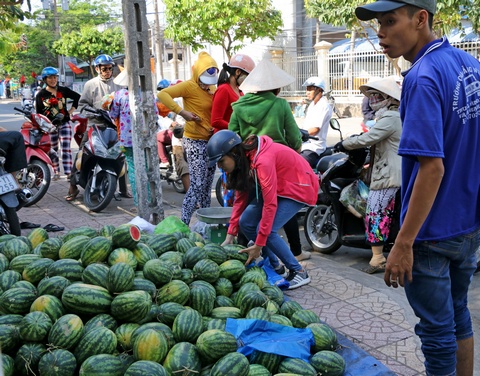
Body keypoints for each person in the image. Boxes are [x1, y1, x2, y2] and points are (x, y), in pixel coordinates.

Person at [355, 0, 480, 375]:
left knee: (437, 333)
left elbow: (431, 169)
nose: (381, 32)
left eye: (390, 21)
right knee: (458, 316)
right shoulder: (470, 66)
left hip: (430, 235)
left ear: (420, 18)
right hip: (467, 226)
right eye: (378, 23)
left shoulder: (422, 76)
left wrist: (403, 242)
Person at [207, 130, 318, 289]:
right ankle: (275, 266)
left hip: (298, 187)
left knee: (267, 230)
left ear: (233, 153)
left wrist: (259, 244)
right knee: (246, 222)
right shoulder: (244, 161)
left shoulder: (262, 161)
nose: (220, 166)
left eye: (221, 161)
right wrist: (230, 235)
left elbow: (270, 204)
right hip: (280, 187)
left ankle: (298, 271)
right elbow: (240, 199)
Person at [229, 58, 310, 262]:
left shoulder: (238, 107)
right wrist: (290, 154)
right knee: (278, 209)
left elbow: (231, 137)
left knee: (248, 211)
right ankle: (295, 254)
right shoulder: (280, 105)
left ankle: (252, 254)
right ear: (275, 88)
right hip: (278, 166)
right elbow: (294, 138)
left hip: (249, 166)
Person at [334, 77, 402, 274]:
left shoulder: (390, 117)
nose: (372, 99)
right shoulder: (390, 116)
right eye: (371, 96)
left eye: (376, 96)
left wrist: (344, 144)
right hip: (389, 172)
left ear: (388, 98)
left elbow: (369, 137)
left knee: (375, 213)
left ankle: (378, 258)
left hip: (389, 175)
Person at [157, 51, 219, 225]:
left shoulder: (212, 87)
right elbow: (162, 95)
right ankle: (183, 224)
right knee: (197, 185)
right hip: (194, 141)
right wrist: (182, 112)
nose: (207, 85)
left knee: (207, 187)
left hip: (211, 141)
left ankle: (205, 225)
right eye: (203, 80)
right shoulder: (188, 86)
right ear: (197, 73)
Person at [66, 54, 126, 201]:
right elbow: (82, 105)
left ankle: (123, 189)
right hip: (95, 125)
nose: (107, 71)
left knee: (121, 154)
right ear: (97, 69)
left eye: (109, 68)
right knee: (81, 152)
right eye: (104, 68)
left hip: (114, 127)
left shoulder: (119, 84)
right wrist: (93, 112)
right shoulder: (90, 84)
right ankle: (73, 186)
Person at [35, 67, 80, 181]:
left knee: (66, 148)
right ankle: (56, 172)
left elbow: (77, 97)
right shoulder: (41, 94)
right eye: (50, 77)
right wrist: (42, 128)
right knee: (53, 149)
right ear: (45, 79)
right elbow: (39, 113)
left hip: (64, 123)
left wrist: (71, 110)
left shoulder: (63, 90)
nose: (53, 80)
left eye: (55, 77)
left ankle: (69, 172)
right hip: (49, 127)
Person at [211, 53, 255, 133]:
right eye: (247, 76)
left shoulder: (240, 92)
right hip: (224, 139)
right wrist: (237, 127)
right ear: (238, 72)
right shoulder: (223, 90)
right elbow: (216, 121)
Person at [299, 76, 333, 169]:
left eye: (310, 89)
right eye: (307, 89)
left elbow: (315, 129)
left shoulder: (323, 106)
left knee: (298, 167)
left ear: (319, 90)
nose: (307, 92)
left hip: (314, 148)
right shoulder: (312, 105)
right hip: (305, 144)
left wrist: (301, 133)